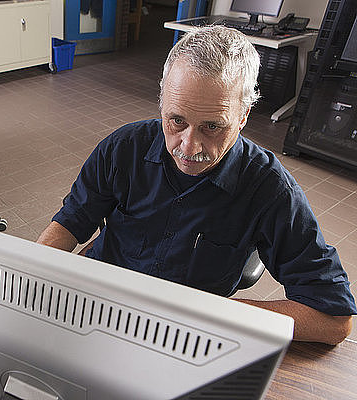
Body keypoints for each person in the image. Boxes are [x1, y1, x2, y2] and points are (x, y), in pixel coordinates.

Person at [37, 26, 356, 345]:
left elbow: (334, 320)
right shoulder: (123, 147)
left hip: (183, 334)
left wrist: (221, 315)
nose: (189, 148)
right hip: (103, 304)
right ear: (162, 103)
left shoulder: (270, 189)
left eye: (212, 127)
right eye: (176, 121)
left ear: (243, 116)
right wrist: (33, 276)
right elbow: (68, 223)